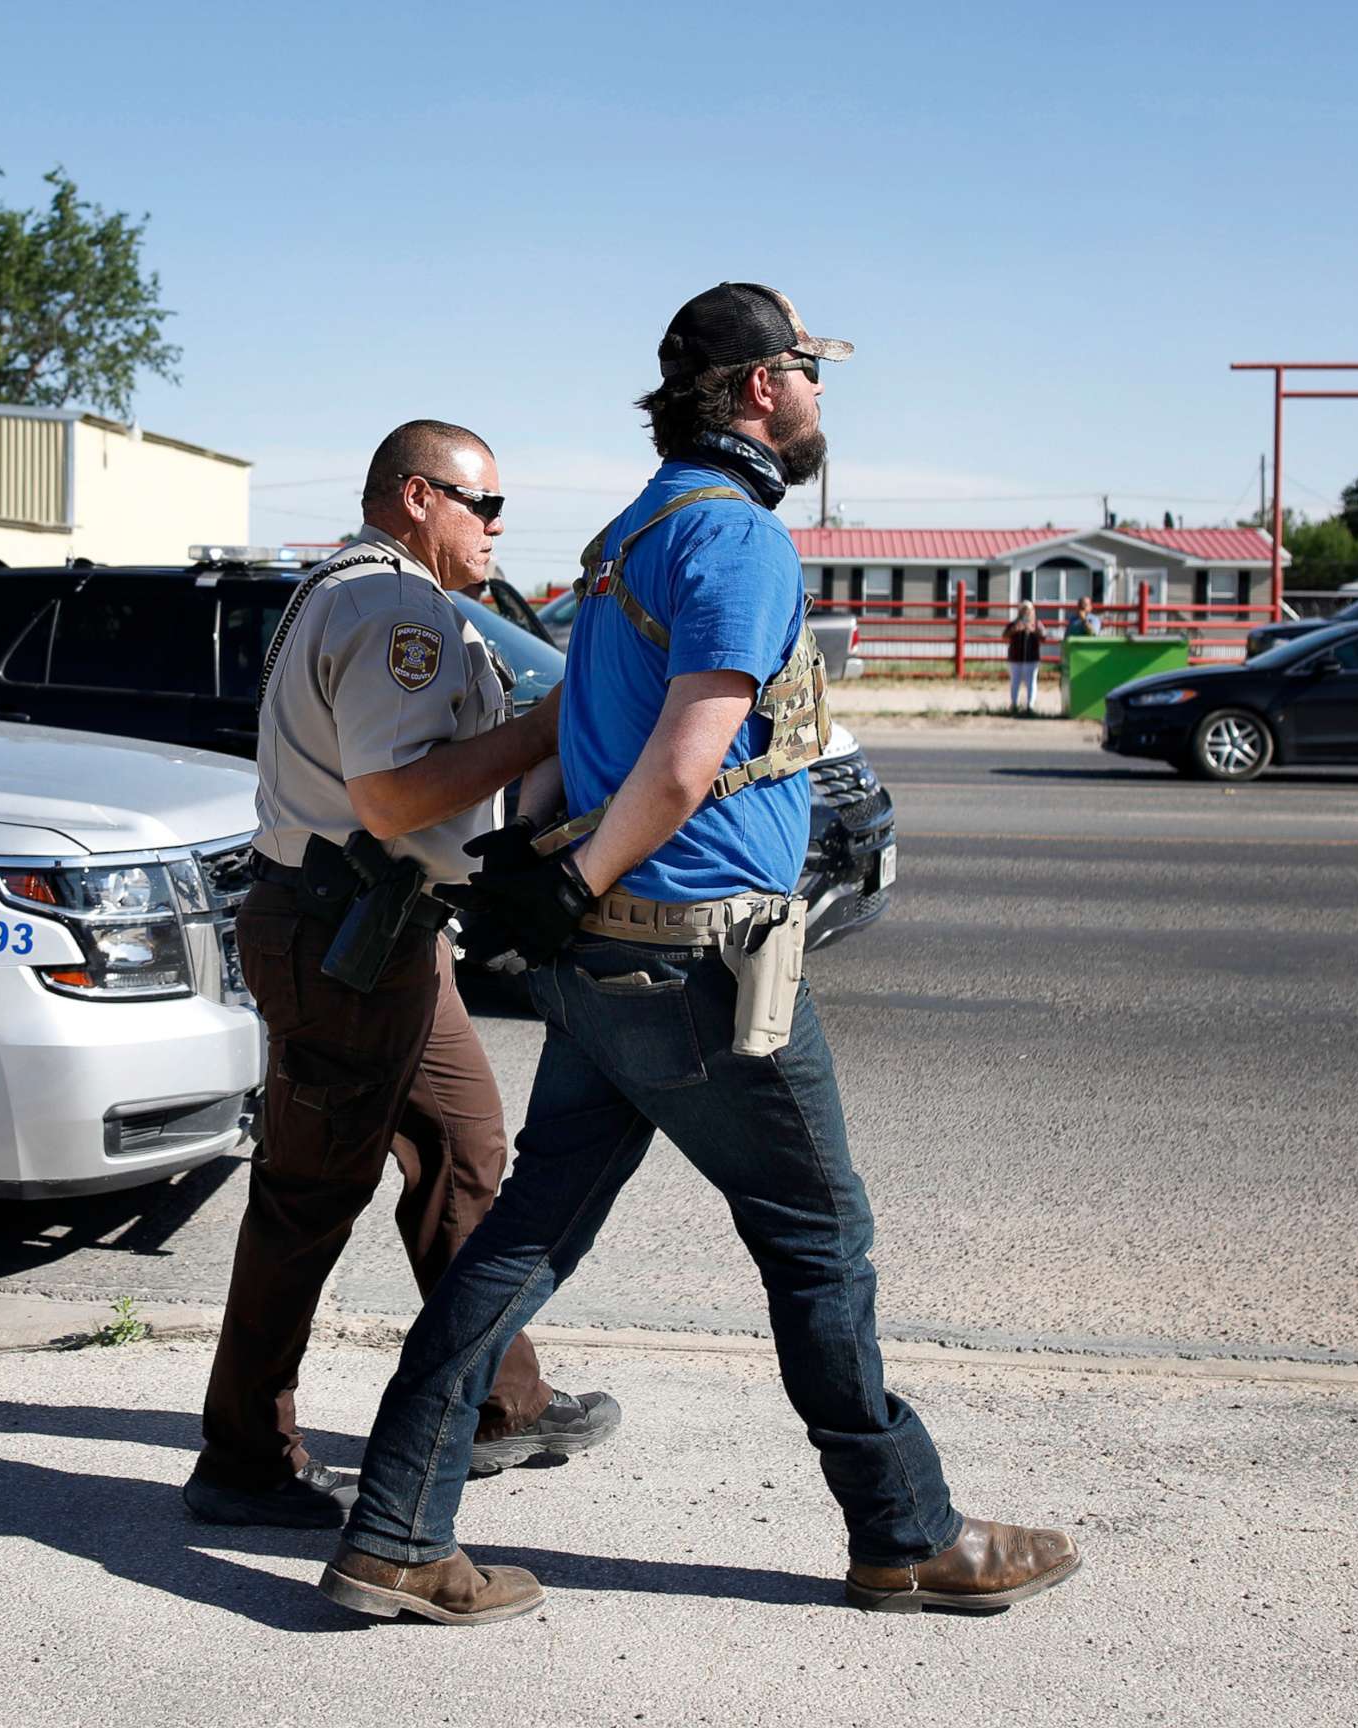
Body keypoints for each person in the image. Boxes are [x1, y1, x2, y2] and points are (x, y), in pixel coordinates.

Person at [319, 286, 1078, 1625]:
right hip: (698, 973)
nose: (822, 398)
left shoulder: (630, 536)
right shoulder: (734, 539)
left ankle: (392, 1530)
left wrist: (560, 883)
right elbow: (680, 766)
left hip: (609, 969)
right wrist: (576, 878)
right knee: (819, 1246)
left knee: (521, 1245)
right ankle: (905, 1533)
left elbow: (581, 730)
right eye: (812, 374)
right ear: (759, 390)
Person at [182, 420, 621, 1528]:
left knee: (468, 1153)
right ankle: (244, 1459)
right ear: (419, 497)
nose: (499, 528)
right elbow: (392, 798)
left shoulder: (364, 590)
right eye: (485, 505)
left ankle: (500, 1405)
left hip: (381, 932)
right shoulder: (395, 608)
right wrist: (545, 728)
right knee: (307, 1200)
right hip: (347, 940)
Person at [1004, 601, 1045, 714]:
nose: (1026, 612)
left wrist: (1033, 630)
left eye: (1028, 610)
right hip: (1015, 658)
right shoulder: (1014, 623)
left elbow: (1043, 637)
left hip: (1031, 658)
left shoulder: (1037, 623)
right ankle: (1014, 704)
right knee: (1015, 682)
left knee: (1031, 682)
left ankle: (1030, 706)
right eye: (1023, 610)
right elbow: (1005, 635)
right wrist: (1015, 629)